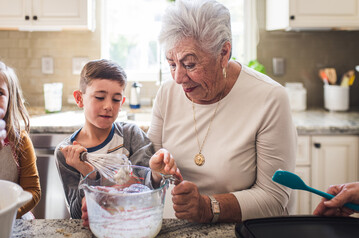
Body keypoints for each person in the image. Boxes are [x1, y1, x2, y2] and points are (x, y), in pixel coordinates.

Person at [147, 0, 297, 223]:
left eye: (189, 64)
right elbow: (149, 174)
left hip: (239, 231)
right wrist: (157, 172)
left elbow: (274, 199)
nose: (178, 78)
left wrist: (208, 207)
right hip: (173, 228)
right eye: (171, 64)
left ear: (224, 53)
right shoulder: (167, 93)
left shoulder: (270, 98)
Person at [55, 59, 181, 220]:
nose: (108, 106)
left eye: (115, 99)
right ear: (79, 98)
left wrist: (157, 173)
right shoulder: (66, 153)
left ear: (122, 102)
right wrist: (88, 174)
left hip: (134, 226)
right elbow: (77, 214)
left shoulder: (131, 136)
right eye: (100, 97)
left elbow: (145, 191)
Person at [0, 61, 41, 218]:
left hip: (14, 220)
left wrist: (8, 214)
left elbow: (33, 191)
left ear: (11, 98)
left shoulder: (20, 141)